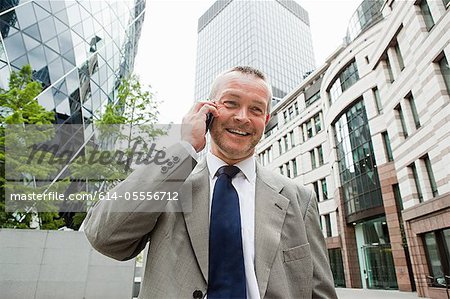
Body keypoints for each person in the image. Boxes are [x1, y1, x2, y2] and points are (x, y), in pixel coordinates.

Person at [84, 66, 337, 299]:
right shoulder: (169, 184)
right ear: (208, 110)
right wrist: (185, 148)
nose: (242, 117)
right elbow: (104, 236)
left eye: (256, 109)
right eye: (231, 103)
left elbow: (320, 292)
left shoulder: (300, 199)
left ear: (266, 119)